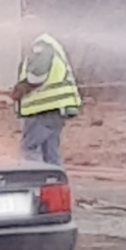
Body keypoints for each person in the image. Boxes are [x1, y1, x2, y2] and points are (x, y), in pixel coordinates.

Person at [11, 32, 82, 166]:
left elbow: (37, 75)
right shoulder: (50, 44)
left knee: (30, 149)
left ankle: (35, 182)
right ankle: (55, 183)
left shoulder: (40, 46)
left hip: (42, 109)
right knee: (50, 153)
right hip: (55, 110)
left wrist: (22, 88)